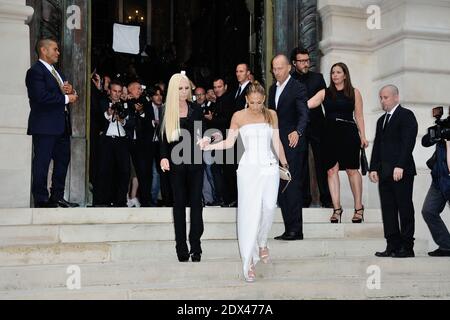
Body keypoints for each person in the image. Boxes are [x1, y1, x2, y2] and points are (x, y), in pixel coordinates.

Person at [199, 81, 288, 282]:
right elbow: (229, 142)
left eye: (259, 102)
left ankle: (263, 242)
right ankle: (248, 262)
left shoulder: (271, 115)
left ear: (263, 99)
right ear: (247, 100)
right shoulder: (238, 116)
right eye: (253, 102)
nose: (256, 106)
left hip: (270, 167)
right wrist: (208, 146)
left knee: (269, 207)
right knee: (249, 215)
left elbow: (277, 142)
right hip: (248, 169)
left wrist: (285, 163)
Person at [308, 62, 368, 223]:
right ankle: (337, 209)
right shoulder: (324, 93)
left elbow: (359, 116)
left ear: (345, 75)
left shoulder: (354, 93)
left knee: (352, 170)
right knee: (331, 171)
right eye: (333, 72)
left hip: (349, 133)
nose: (335, 75)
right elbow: (308, 104)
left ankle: (358, 208)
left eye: (338, 72)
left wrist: (363, 135)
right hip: (329, 134)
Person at [26, 38, 79, 208]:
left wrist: (71, 91)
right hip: (44, 126)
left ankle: (57, 196)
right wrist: (65, 97)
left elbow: (66, 93)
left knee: (62, 162)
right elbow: (40, 97)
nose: (58, 53)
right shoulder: (35, 71)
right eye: (55, 49)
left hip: (61, 126)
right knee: (41, 162)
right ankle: (41, 199)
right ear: (43, 50)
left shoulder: (58, 73)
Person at [160, 73, 204, 263]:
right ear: (173, 89)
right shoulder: (166, 110)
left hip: (195, 161)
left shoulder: (196, 109)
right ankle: (181, 246)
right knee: (179, 204)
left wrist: (206, 139)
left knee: (196, 204)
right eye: (180, 88)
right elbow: (162, 137)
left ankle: (196, 245)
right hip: (176, 162)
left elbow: (202, 132)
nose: (184, 92)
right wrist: (163, 157)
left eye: (187, 88)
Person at [369, 85, 418, 258]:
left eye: (386, 97)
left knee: (404, 208)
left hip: (401, 171)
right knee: (388, 209)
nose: (383, 101)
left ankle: (407, 247)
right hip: (384, 173)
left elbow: (408, 143)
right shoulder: (381, 120)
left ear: (396, 97)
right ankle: (392, 245)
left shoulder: (406, 116)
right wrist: (373, 167)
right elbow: (378, 146)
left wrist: (400, 166)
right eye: (381, 97)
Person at [269, 55, 309, 241]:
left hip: (292, 144)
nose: (276, 72)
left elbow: (303, 113)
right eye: (274, 69)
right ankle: (288, 228)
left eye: (279, 68)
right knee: (282, 186)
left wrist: (298, 132)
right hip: (275, 144)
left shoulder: (297, 87)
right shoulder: (271, 89)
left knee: (292, 185)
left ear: (288, 68)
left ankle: (296, 230)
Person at [291, 47, 332, 208]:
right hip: (298, 127)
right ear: (294, 63)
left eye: (307, 60)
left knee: (321, 162)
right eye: (302, 61)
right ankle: (304, 199)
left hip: (317, 125)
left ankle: (326, 198)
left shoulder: (318, 78)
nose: (306, 64)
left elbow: (325, 101)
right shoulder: (290, 80)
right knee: (301, 163)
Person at [422, 126, 450, 257]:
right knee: (429, 210)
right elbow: (425, 142)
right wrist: (436, 132)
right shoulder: (444, 126)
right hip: (439, 179)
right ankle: (446, 245)